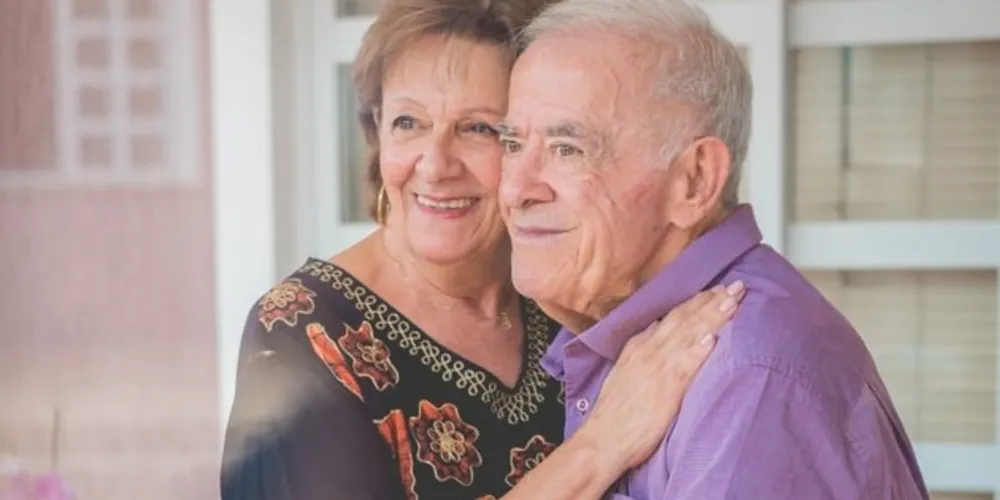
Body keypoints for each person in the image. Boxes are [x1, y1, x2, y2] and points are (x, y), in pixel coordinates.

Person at [219, 0, 746, 499]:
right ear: (376, 131)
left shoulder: (568, 298)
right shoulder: (302, 334)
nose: (436, 164)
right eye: (409, 123)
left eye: (480, 129)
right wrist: (598, 449)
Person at [498, 0, 931, 498]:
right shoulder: (645, 335)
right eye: (513, 145)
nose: (516, 189)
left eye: (567, 149)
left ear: (696, 180)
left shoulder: (747, 375)